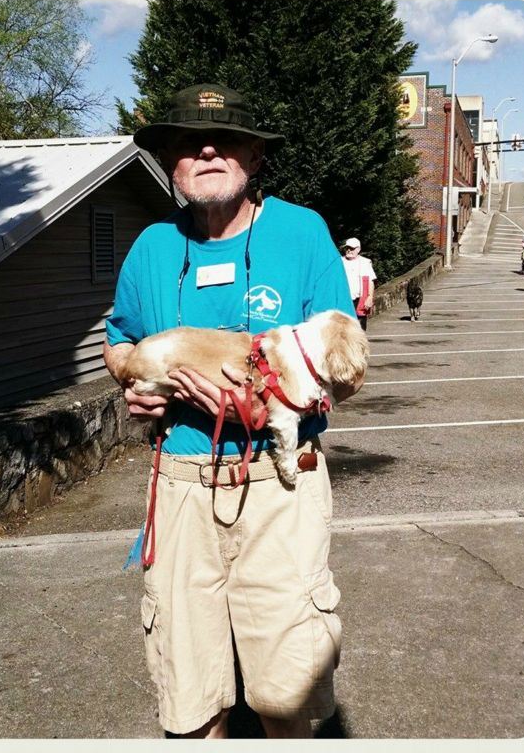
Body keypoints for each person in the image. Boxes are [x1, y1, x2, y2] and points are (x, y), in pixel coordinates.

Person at [103, 82, 361, 739]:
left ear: (253, 158)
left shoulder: (302, 234)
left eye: (226, 141)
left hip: (281, 485)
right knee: (190, 692)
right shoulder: (152, 249)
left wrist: (270, 403)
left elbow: (346, 373)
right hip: (181, 488)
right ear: (170, 162)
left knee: (287, 694)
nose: (208, 150)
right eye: (189, 142)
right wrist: (133, 383)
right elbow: (120, 339)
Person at [341, 237, 377, 330]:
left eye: (352, 248)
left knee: (360, 329)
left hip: (359, 299)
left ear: (358, 249)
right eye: (347, 248)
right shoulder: (339, 262)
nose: (349, 250)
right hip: (343, 299)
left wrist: (370, 297)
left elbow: (370, 281)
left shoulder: (365, 262)